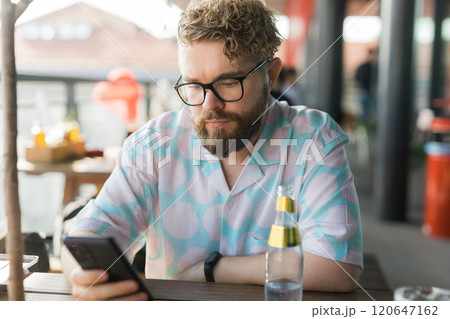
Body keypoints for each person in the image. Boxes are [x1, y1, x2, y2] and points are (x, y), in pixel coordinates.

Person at [62, 0, 363, 301]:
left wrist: (213, 270)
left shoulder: (314, 139)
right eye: (194, 86)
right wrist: (81, 271)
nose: (209, 106)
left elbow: (337, 266)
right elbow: (90, 233)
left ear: (270, 76)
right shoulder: (153, 143)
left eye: (229, 83)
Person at [355, 48, 378, 120]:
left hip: (372, 92)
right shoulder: (363, 67)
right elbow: (357, 78)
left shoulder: (375, 67)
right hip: (364, 91)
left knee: (372, 112)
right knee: (364, 112)